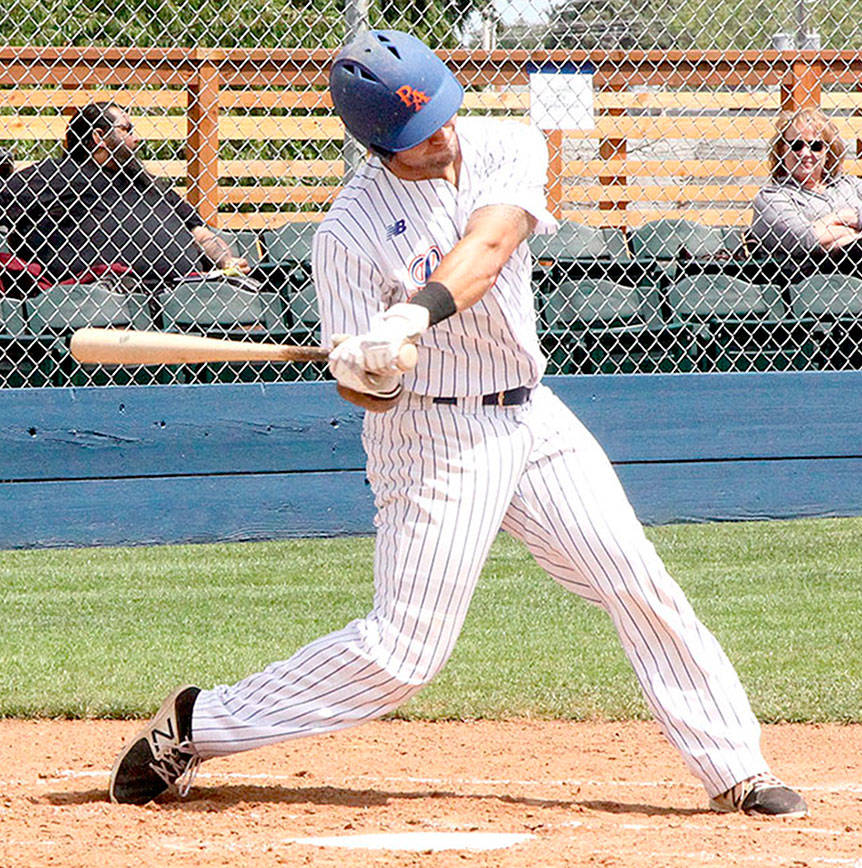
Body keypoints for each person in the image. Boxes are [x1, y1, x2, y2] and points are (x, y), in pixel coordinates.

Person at [108, 29, 808, 819]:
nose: (440, 137)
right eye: (417, 135)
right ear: (377, 145)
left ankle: (735, 767)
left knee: (637, 579)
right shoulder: (345, 234)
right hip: (430, 441)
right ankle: (198, 725)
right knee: (403, 654)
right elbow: (365, 399)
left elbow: (490, 243)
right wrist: (366, 369)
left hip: (531, 417)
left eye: (442, 115)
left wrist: (410, 312)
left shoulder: (504, 144)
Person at [0, 101, 248, 285]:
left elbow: (199, 232)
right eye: (127, 129)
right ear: (99, 137)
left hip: (185, 288)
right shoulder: (61, 175)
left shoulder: (148, 185)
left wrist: (226, 260)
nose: (136, 138)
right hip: (104, 291)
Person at [749, 107, 862, 273]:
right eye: (796, 145)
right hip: (813, 279)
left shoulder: (850, 184)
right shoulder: (772, 198)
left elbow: (814, 237)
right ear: (782, 150)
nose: (805, 153)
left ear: (828, 152)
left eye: (815, 145)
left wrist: (825, 230)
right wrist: (844, 217)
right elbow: (804, 239)